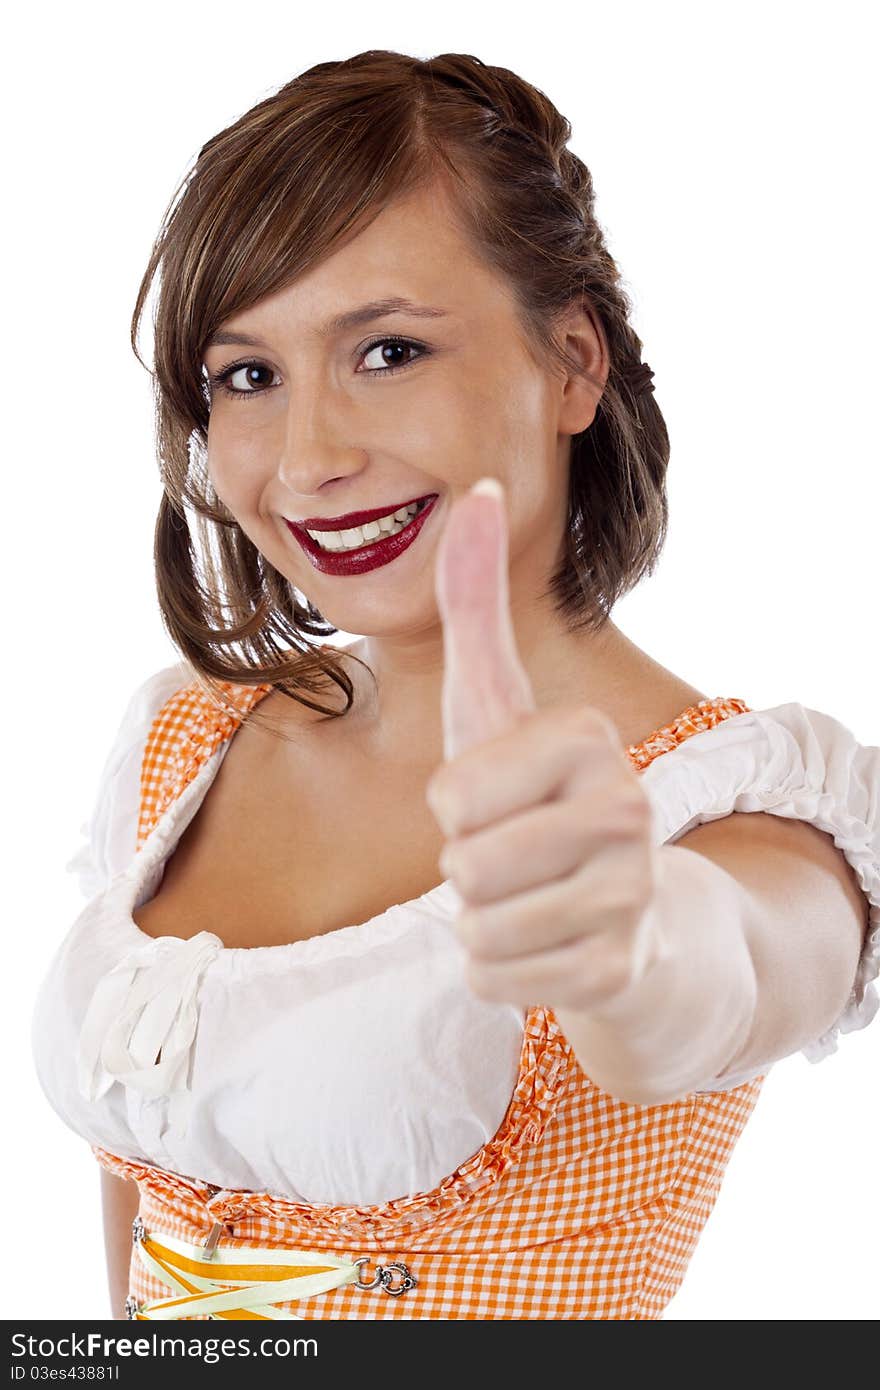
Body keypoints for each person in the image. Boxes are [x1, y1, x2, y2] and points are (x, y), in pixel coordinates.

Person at [31, 49, 878, 1321]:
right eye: (247, 375)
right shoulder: (191, 737)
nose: (310, 458)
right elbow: (141, 1183)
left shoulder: (733, 804)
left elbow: (727, 976)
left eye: (387, 350)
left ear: (575, 364)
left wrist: (624, 932)